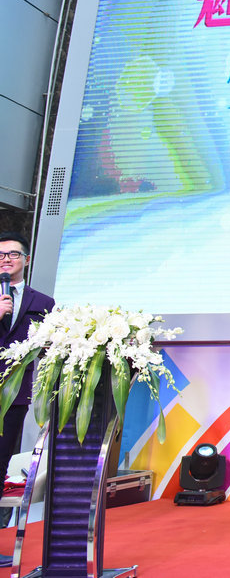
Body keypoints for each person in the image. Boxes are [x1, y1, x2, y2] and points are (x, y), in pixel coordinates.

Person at [0, 232, 54, 565]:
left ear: (26, 259)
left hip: (14, 396)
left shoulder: (44, 302)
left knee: (1, 464)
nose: (6, 260)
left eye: (13, 254)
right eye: (1, 255)